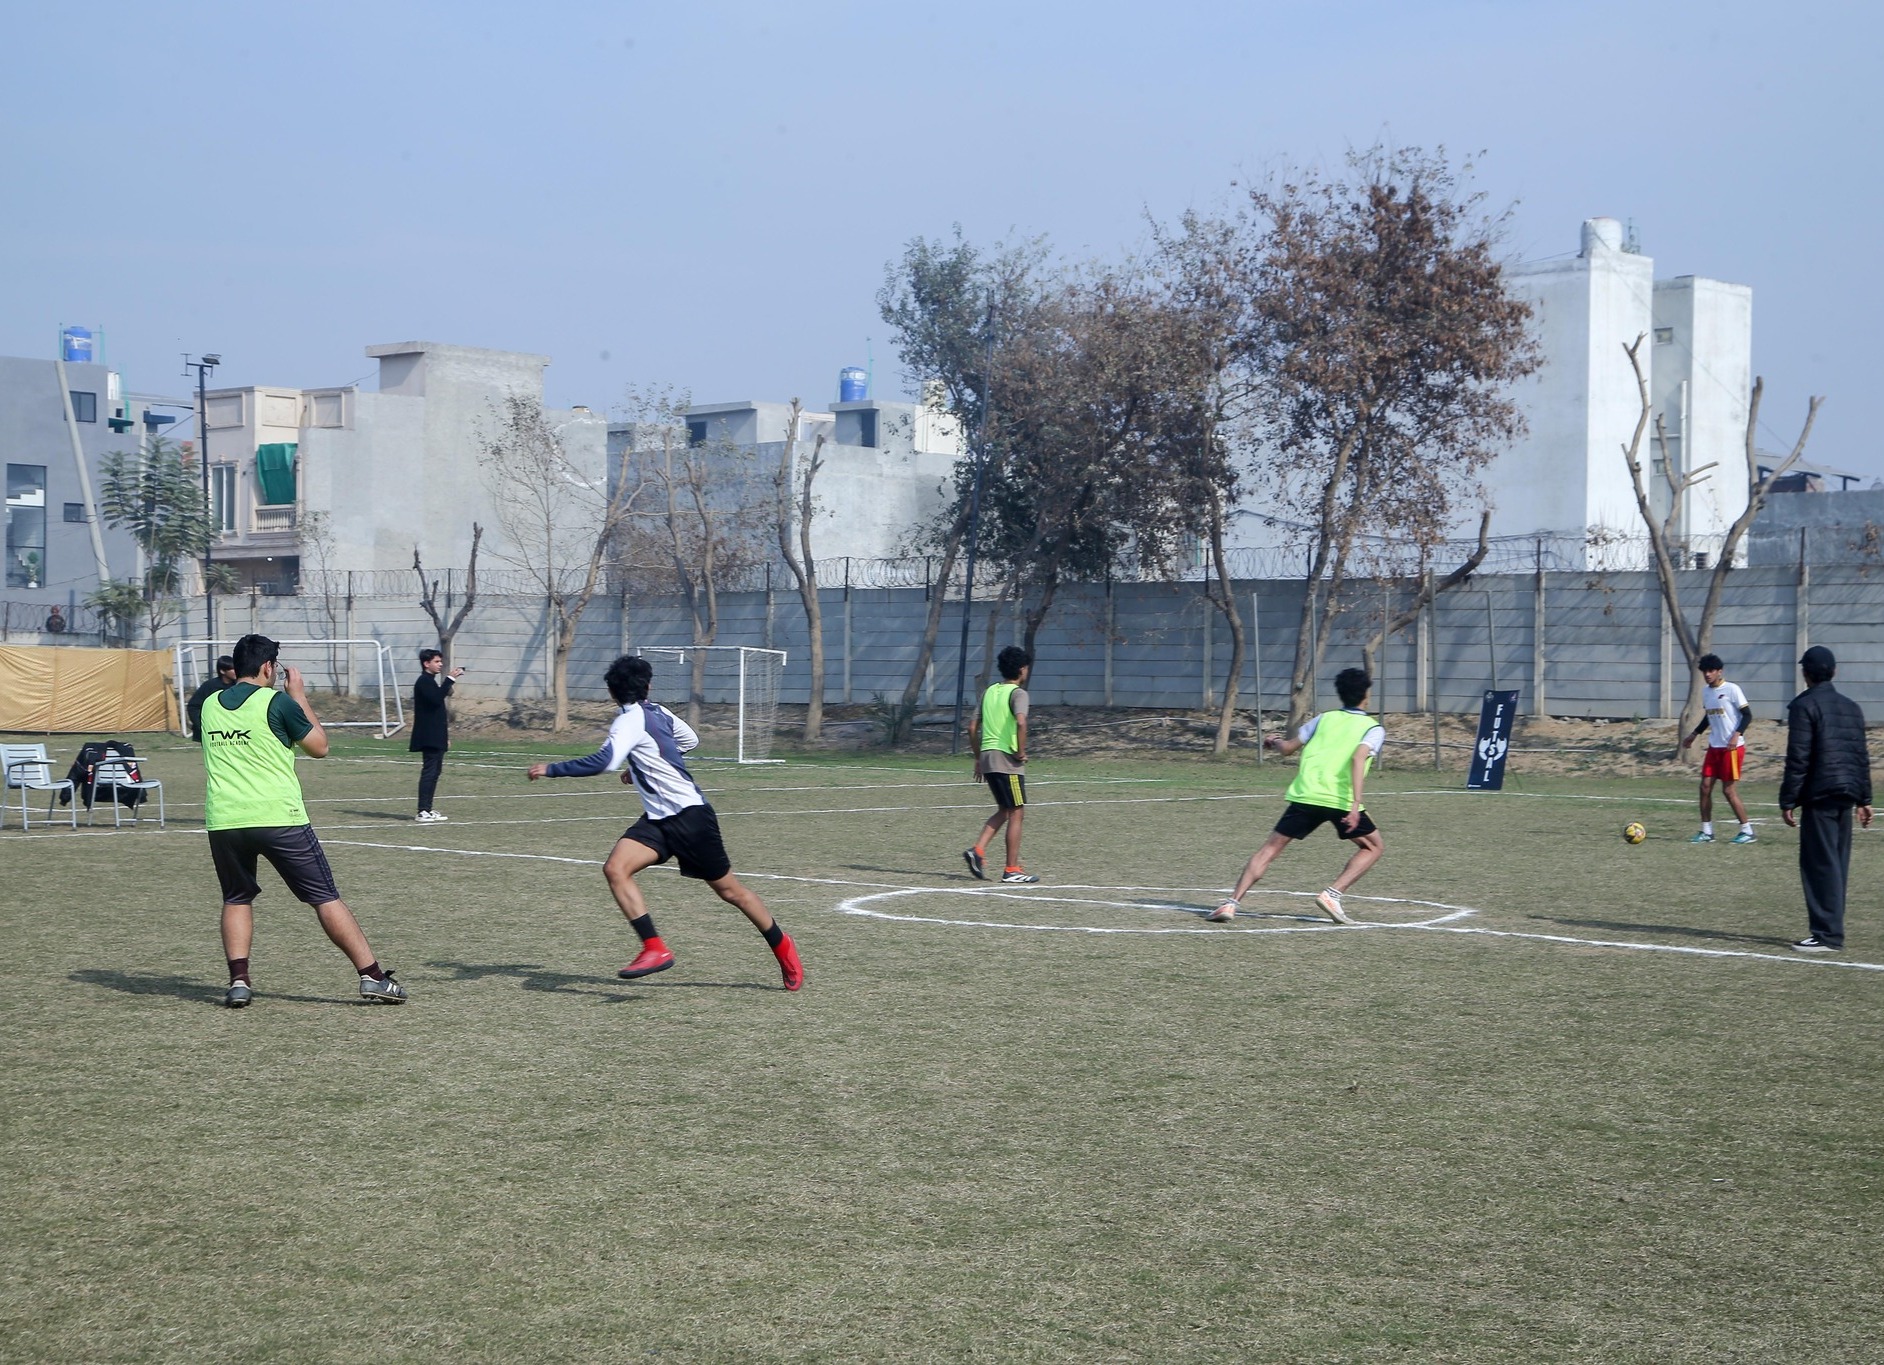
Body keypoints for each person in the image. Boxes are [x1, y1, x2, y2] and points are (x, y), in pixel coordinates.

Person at [525, 655, 803, 990]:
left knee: (730, 891)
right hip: (658, 819)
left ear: (611, 692)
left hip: (690, 816)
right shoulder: (658, 711)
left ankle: (783, 946)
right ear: (648, 686)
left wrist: (552, 769)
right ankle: (654, 948)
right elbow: (689, 740)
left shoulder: (628, 720)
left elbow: (605, 761)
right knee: (615, 869)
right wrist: (644, 763)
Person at [201, 634, 408, 1007]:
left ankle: (239, 982)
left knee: (236, 897)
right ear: (269, 667)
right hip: (278, 817)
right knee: (325, 897)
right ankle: (373, 977)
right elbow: (319, 748)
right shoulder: (276, 701)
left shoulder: (209, 704)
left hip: (225, 819)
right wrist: (299, 696)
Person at [1209, 666, 1385, 926]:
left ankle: (1231, 904)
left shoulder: (1323, 719)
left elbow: (1288, 748)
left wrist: (1275, 741)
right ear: (1366, 695)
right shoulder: (1373, 728)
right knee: (1373, 847)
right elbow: (1358, 758)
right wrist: (1356, 803)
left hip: (1306, 795)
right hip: (1340, 800)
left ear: (1340, 694)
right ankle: (1332, 894)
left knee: (1269, 850)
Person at [1779, 646, 1873, 953]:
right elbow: (1860, 756)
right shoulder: (1851, 707)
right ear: (1834, 672)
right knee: (1836, 863)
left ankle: (1827, 935)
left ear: (1805, 674)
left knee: (1820, 864)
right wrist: (1864, 799)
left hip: (1820, 793)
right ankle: (1831, 929)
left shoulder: (1803, 706)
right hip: (1846, 794)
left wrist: (1788, 800)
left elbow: (1799, 757)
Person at [964, 646, 1039, 884]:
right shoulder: (1018, 694)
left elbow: (972, 728)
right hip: (1007, 760)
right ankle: (1012, 869)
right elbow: (1021, 723)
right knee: (1017, 812)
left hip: (988, 756)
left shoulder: (989, 692)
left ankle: (977, 851)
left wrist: (978, 758)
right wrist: (1020, 751)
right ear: (1022, 669)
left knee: (1005, 810)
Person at [1680, 653, 1756, 843]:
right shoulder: (1706, 692)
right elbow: (1709, 717)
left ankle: (1747, 831)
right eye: (1705, 671)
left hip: (1732, 748)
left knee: (1728, 791)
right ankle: (1707, 832)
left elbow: (1747, 715)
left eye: (1711, 670)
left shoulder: (1732, 689)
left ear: (1719, 671)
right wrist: (1694, 734)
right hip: (1715, 747)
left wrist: (1737, 734)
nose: (1707, 674)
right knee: (1705, 787)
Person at [411, 648, 466, 822]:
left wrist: (444, 737)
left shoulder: (431, 682)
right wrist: (450, 679)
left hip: (436, 735)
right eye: (436, 661)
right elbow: (436, 699)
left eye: (440, 661)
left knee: (435, 772)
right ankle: (422, 811)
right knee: (429, 772)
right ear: (426, 663)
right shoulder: (423, 681)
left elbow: (437, 709)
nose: (440, 664)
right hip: (428, 735)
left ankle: (428, 808)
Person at [186, 655, 238, 744]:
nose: (236, 671)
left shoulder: (238, 686)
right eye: (232, 669)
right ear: (222, 671)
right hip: (212, 733)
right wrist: (202, 725)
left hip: (233, 732)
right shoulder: (209, 686)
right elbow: (193, 706)